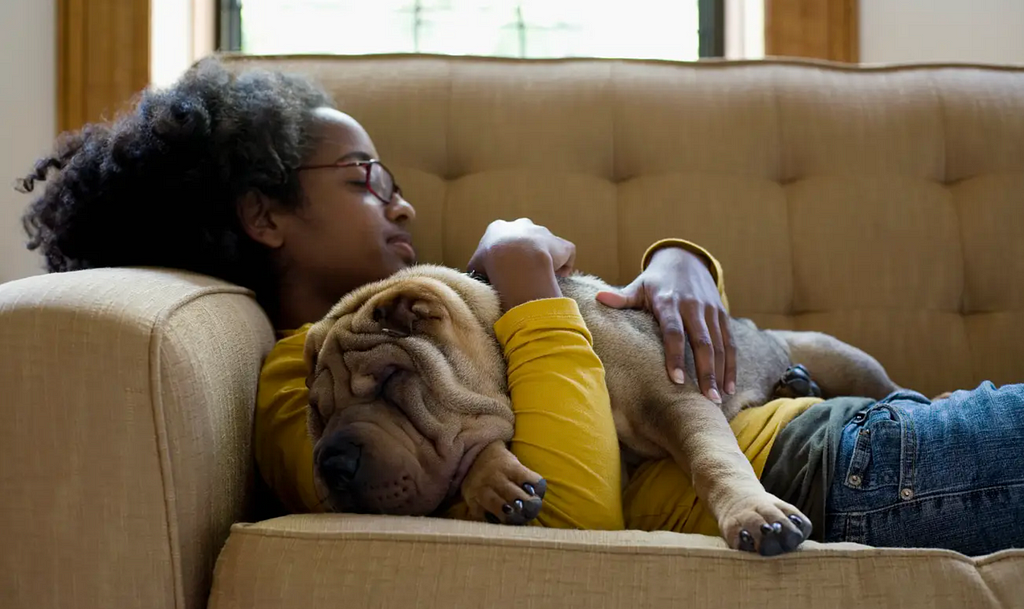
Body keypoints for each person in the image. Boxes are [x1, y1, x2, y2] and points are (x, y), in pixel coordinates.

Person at [18, 57, 1023, 557]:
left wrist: (680, 262)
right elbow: (572, 506)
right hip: (828, 471)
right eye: (365, 180)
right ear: (265, 216)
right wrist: (530, 285)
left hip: (833, 425)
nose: (400, 202)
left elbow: (616, 347)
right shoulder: (298, 377)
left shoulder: (426, 305)